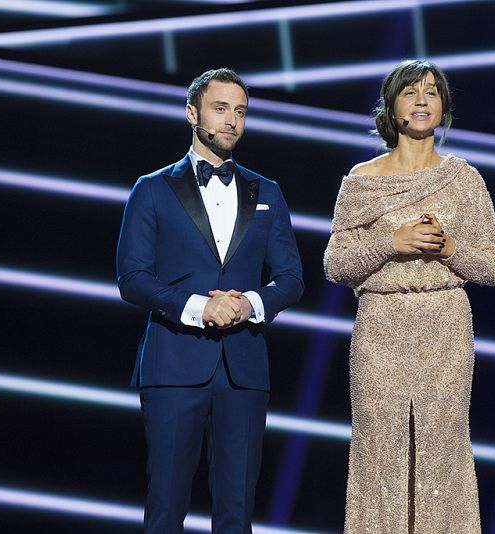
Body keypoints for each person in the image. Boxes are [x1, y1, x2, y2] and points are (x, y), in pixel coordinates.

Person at [116, 68, 303, 533]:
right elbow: (132, 278)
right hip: (174, 364)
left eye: (240, 112)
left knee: (237, 513)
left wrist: (250, 304)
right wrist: (200, 307)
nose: (231, 122)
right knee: (166, 506)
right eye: (221, 109)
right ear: (192, 113)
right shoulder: (152, 188)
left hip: (244, 370)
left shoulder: (269, 193)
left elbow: (291, 278)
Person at [323, 59, 495, 533]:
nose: (422, 100)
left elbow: (493, 268)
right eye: (410, 92)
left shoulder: (465, 180)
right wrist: (392, 242)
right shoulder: (360, 182)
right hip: (381, 329)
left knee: (442, 453)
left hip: (445, 328)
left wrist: (449, 248)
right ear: (390, 107)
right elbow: (336, 266)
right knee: (379, 451)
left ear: (443, 107)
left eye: (431, 92)